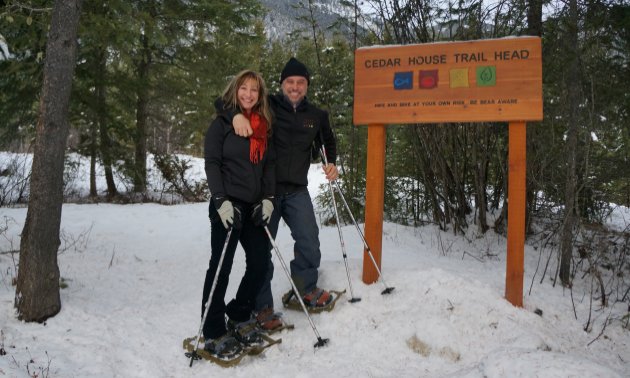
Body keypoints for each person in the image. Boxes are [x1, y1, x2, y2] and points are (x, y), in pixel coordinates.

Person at [226, 58, 339, 332]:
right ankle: (262, 306)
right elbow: (231, 102)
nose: (295, 87)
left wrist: (332, 162)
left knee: (309, 240)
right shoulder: (269, 105)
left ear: (307, 85)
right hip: (267, 192)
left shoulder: (317, 115)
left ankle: (304, 289)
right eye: (290, 82)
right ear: (282, 84)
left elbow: (328, 141)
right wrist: (237, 115)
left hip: (297, 190)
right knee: (263, 250)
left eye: (301, 82)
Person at [201, 70, 276, 358]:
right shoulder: (222, 124)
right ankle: (213, 329)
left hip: (253, 206)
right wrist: (220, 200)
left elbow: (269, 166)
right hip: (227, 206)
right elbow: (212, 163)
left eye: (254, 90)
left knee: (260, 263)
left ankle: (239, 312)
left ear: (260, 94)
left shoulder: (263, 126)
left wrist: (268, 199)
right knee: (221, 267)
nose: (248, 94)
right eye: (243, 88)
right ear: (235, 89)